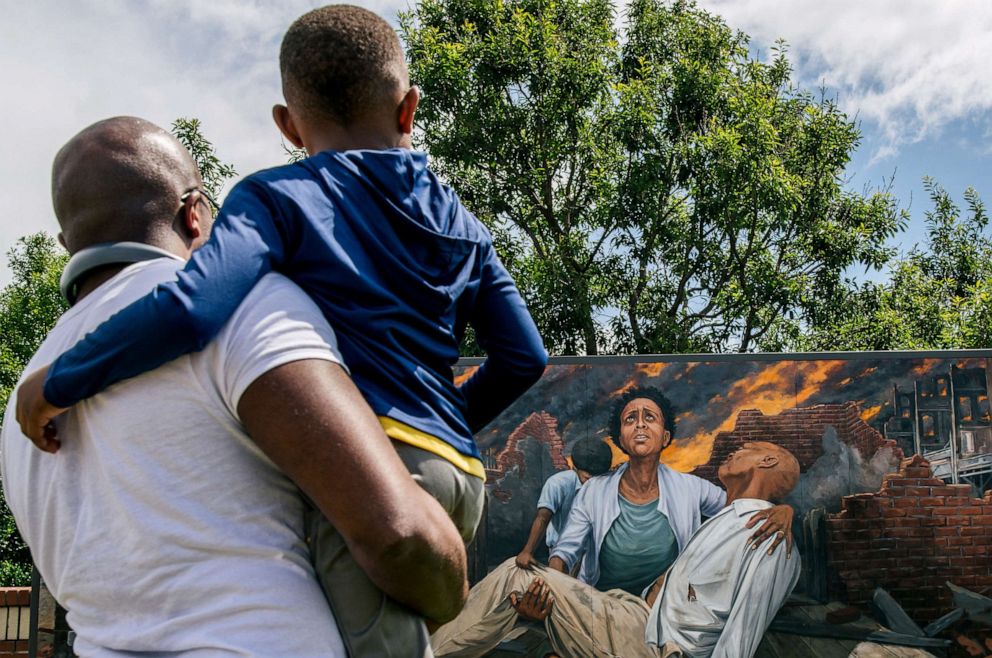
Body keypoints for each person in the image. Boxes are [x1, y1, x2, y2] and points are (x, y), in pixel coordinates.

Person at [16, 6, 546, 657]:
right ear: (409, 109)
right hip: (461, 473)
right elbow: (524, 357)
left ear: (288, 125)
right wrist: (441, 425)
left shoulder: (278, 197)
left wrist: (61, 380)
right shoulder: (464, 225)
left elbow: (192, 308)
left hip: (389, 476)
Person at [1, 116, 467, 656]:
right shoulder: (243, 306)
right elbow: (397, 535)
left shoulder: (24, 400)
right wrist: (454, 587)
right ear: (193, 213)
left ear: (66, 241)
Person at [429, 441, 802, 658]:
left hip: (653, 643)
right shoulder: (731, 516)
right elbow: (567, 548)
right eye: (630, 419)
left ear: (766, 462)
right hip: (628, 609)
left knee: (516, 572)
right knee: (524, 579)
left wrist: (783, 510)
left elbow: (744, 627)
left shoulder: (767, 533)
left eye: (747, 449)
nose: (737, 450)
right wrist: (545, 596)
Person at [515, 436, 614, 570]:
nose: (593, 484)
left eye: (598, 479)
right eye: (587, 479)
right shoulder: (558, 484)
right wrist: (527, 551)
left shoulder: (610, 483)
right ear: (574, 468)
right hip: (561, 552)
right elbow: (543, 517)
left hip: (595, 552)